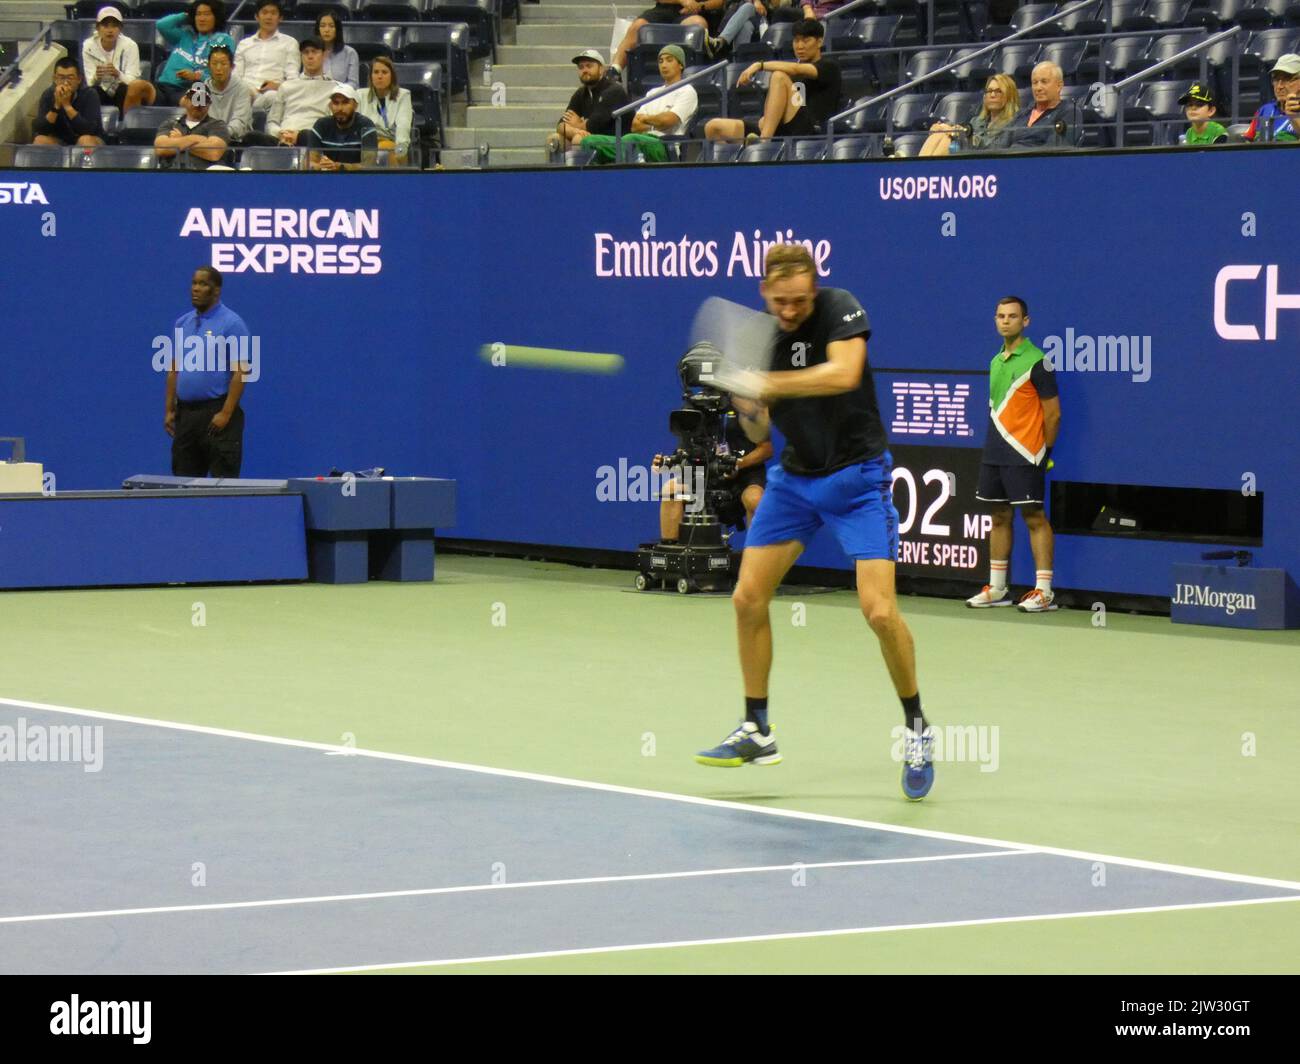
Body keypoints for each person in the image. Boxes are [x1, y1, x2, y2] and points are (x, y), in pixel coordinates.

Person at [693, 245, 938, 802]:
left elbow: (843, 374)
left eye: (800, 299)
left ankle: (917, 726)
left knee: (878, 612)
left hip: (857, 480)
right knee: (747, 598)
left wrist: (770, 384)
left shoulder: (839, 308)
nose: (791, 310)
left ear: (815, 287)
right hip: (795, 481)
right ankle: (757, 727)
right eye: (780, 302)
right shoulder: (765, 339)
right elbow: (759, 436)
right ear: (764, 293)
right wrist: (745, 401)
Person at [966, 296, 1061, 614]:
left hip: (1026, 452)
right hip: (995, 450)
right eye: (1000, 316)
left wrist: (1045, 451)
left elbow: (1053, 415)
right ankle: (997, 588)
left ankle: (1044, 592)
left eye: (1012, 316)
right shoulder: (995, 361)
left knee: (1034, 517)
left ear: (1026, 322)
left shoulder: (1039, 362)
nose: (1005, 321)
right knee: (998, 517)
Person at [165, 267, 251, 478]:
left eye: (203, 284)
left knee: (224, 484)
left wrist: (226, 413)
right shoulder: (182, 323)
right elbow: (174, 370)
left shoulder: (232, 324)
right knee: (183, 486)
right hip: (186, 417)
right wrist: (169, 409)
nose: (196, 289)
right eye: (194, 283)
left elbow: (241, 372)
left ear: (216, 291)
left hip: (216, 415)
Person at [704, 18, 840, 142]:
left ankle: (763, 143)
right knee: (713, 127)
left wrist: (760, 65)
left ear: (820, 42)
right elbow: (790, 103)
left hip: (811, 131)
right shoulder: (791, 74)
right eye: (796, 40)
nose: (799, 46)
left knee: (778, 76)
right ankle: (736, 164)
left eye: (805, 40)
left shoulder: (829, 66)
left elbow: (798, 70)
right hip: (784, 128)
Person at [653, 402, 771, 543]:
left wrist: (738, 464)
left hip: (744, 477)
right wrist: (666, 464)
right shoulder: (694, 408)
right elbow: (684, 451)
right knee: (670, 489)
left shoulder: (747, 405)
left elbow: (766, 449)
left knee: (755, 499)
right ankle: (672, 553)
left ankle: (756, 556)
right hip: (704, 476)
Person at [572, 46, 698, 162]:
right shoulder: (653, 92)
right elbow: (635, 125)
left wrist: (647, 119)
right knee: (589, 141)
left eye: (669, 60)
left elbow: (669, 121)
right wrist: (656, 123)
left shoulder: (687, 91)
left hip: (665, 145)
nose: (664, 65)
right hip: (641, 140)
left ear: (681, 65)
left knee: (629, 140)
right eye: (661, 61)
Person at [547, 50, 629, 156]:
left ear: (601, 69)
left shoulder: (613, 90)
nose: (584, 70)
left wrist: (577, 125)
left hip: (616, 141)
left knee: (578, 139)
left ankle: (580, 173)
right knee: (554, 140)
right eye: (581, 67)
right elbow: (561, 126)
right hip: (592, 138)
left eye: (589, 66)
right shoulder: (581, 93)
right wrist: (575, 130)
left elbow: (592, 126)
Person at [155, 0, 237, 107]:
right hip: (163, 86)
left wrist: (196, 76)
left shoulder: (223, 40)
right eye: (198, 14)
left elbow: (221, 75)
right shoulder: (184, 35)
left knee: (195, 101)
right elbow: (161, 24)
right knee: (137, 87)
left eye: (207, 14)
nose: (201, 19)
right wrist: (187, 15)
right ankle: (127, 123)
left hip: (193, 88)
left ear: (216, 17)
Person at [920, 73, 1019, 156]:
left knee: (947, 140)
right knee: (940, 135)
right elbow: (963, 136)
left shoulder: (1013, 123)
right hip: (966, 157)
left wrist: (961, 134)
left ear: (1009, 96)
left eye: (998, 91)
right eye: (989, 91)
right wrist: (945, 128)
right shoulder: (976, 121)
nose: (992, 95)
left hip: (987, 163)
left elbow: (995, 148)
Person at [611, 0, 718, 75]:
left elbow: (719, 2)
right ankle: (615, 70)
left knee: (698, 24)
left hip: (695, 12)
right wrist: (682, 1)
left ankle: (693, 74)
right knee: (638, 25)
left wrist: (700, 6)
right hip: (664, 10)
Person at [81, 6, 155, 114]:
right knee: (92, 92)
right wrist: (97, 76)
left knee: (123, 89)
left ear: (120, 28)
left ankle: (123, 125)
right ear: (97, 28)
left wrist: (118, 74)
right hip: (101, 89)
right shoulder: (88, 46)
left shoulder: (130, 45)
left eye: (114, 26)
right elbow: (90, 82)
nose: (110, 30)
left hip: (123, 90)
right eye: (105, 26)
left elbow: (133, 81)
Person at [266, 37, 334, 146]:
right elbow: (272, 122)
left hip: (313, 138)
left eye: (314, 52)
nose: (310, 56)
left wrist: (299, 135)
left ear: (324, 55)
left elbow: (333, 125)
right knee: (251, 138)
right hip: (282, 138)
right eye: (306, 52)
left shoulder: (334, 88)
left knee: (307, 137)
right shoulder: (286, 86)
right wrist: (280, 133)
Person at [234, 0, 299, 113]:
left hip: (272, 94)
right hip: (246, 92)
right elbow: (236, 75)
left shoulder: (290, 43)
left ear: (280, 18)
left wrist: (278, 86)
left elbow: (293, 79)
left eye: (273, 13)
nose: (269, 17)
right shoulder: (244, 44)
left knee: (271, 97)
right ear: (257, 17)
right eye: (264, 12)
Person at [302, 83, 379, 170]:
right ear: (330, 106)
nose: (340, 108)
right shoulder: (321, 125)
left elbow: (369, 166)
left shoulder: (366, 125)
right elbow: (307, 163)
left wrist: (340, 166)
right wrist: (322, 167)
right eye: (336, 103)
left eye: (345, 103)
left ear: (355, 105)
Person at [154, 81, 230, 169]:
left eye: (203, 100)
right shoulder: (171, 124)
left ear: (209, 104)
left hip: (204, 176)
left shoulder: (217, 125)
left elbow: (214, 152)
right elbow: (161, 148)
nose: (198, 104)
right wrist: (196, 139)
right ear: (185, 100)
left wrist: (179, 140)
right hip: (172, 174)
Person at [31, 57, 104, 148]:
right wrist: (56, 106)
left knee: (85, 140)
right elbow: (41, 130)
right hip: (60, 141)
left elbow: (89, 129)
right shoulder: (48, 94)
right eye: (61, 78)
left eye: (70, 78)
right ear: (55, 78)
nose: (66, 83)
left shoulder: (90, 94)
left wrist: (67, 105)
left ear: (79, 79)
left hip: (89, 138)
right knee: (40, 140)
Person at [1006, 61, 1082, 148]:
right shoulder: (1022, 114)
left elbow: (1054, 149)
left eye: (1044, 82)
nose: (1038, 88)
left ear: (1059, 85)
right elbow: (1002, 145)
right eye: (1035, 83)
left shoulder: (1070, 112)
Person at [357, 56, 413, 161]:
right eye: (376, 72)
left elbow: (403, 124)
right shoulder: (360, 95)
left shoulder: (403, 95)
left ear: (392, 76)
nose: (380, 76)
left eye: (384, 72)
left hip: (392, 142)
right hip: (366, 143)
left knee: (385, 148)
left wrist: (401, 148)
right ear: (371, 76)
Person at [1243, 54, 1300, 144]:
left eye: (1287, 79)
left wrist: (1294, 118)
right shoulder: (1264, 110)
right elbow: (1245, 145)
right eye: (1276, 79)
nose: (1279, 86)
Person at [206, 45, 251, 144]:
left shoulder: (242, 88)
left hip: (234, 140)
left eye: (223, 64)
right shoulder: (200, 88)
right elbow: (196, 117)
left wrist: (219, 134)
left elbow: (239, 122)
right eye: (214, 64)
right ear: (208, 66)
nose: (218, 68)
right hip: (206, 141)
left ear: (232, 67)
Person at [316, 9, 359, 88]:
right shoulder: (312, 53)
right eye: (322, 26)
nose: (326, 30)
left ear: (337, 30)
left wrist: (336, 91)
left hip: (341, 98)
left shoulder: (350, 53)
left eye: (331, 26)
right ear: (318, 30)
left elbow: (353, 84)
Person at [1179, 82, 1227, 146]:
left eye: (1199, 105)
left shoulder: (1218, 132)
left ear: (1211, 111)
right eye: (1189, 105)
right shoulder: (1189, 133)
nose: (1193, 108)